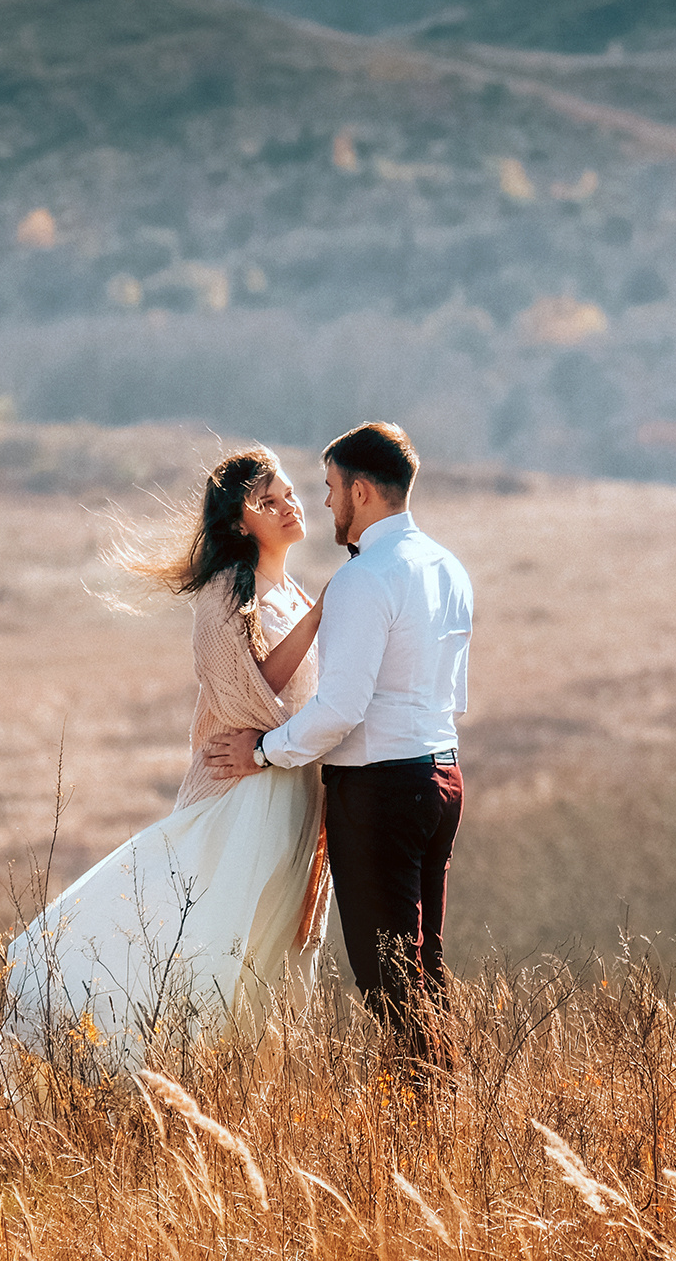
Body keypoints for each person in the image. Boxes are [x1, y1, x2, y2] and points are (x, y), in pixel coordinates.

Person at [0, 447, 330, 1073]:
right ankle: (129, 1061)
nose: (289, 506)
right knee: (211, 935)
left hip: (292, 790)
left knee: (270, 944)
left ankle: (246, 1085)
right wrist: (316, 625)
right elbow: (242, 687)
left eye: (290, 493)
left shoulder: (291, 590)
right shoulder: (228, 591)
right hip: (245, 790)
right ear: (238, 522)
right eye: (269, 500)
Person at [207, 421, 471, 1065]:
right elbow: (454, 693)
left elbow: (341, 709)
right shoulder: (448, 567)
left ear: (361, 491)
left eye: (329, 488)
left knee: (389, 980)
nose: (323, 502)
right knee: (422, 963)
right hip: (442, 777)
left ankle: (423, 1114)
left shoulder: (363, 578)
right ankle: (446, 1108)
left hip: (380, 789)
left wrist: (262, 751)